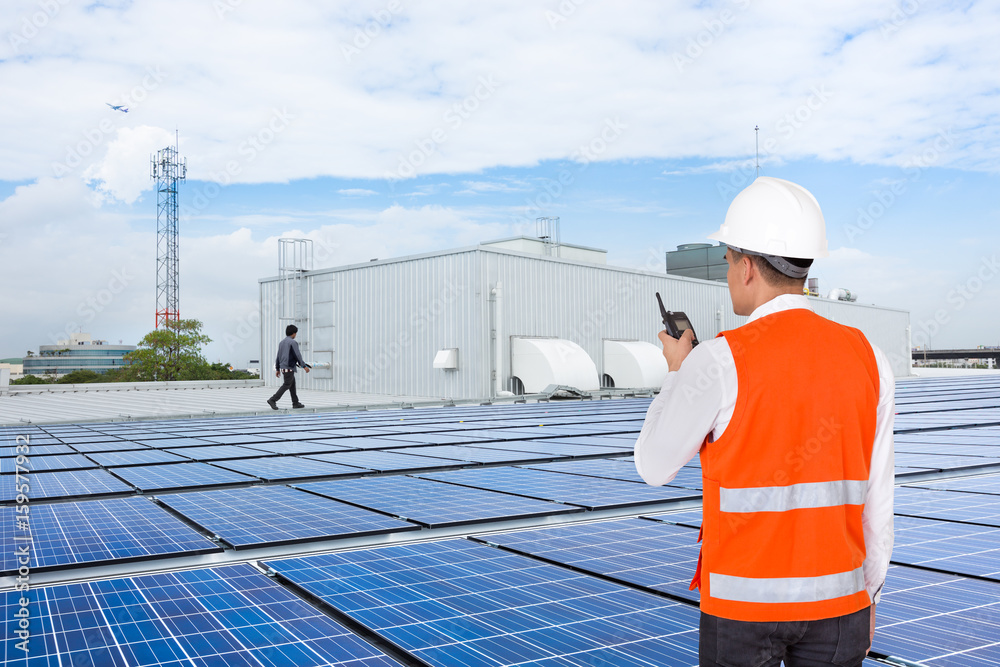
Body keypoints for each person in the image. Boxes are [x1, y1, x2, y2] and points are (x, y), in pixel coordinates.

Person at [634, 177, 894, 667]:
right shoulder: (870, 358)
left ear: (748, 267)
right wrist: (871, 597)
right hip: (841, 608)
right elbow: (879, 503)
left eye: (728, 260)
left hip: (742, 612)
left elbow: (653, 465)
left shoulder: (716, 361)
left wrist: (677, 372)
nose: (728, 272)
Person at [267, 324, 311, 410]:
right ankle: (273, 400)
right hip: (289, 367)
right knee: (287, 384)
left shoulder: (281, 343)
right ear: (294, 333)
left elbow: (278, 356)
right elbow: (297, 355)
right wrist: (304, 366)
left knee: (292, 385)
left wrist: (277, 368)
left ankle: (295, 403)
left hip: (283, 367)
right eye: (296, 334)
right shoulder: (293, 342)